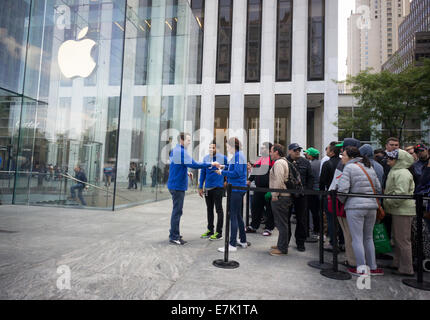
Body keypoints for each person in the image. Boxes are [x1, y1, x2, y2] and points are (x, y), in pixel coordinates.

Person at [337, 146, 384, 276]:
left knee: (357, 238)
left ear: (351, 157)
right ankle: (373, 266)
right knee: (368, 238)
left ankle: (361, 267)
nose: (342, 158)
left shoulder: (349, 168)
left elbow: (342, 190)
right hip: (372, 206)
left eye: (344, 155)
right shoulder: (369, 166)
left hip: (355, 206)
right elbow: (378, 187)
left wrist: (343, 201)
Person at [167, 132, 218, 245]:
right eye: (188, 140)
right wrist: (210, 164)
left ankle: (174, 232)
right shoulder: (180, 151)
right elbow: (194, 164)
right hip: (177, 186)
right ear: (182, 140)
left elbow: (177, 165)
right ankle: (174, 236)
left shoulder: (176, 150)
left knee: (177, 211)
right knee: (177, 211)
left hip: (174, 184)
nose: (190, 142)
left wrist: (186, 172)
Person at [384, 149, 416, 276]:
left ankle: (406, 268)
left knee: (403, 240)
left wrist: (389, 202)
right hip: (399, 209)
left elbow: (401, 193)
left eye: (391, 158)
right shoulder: (397, 171)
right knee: (398, 239)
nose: (388, 160)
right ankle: (398, 263)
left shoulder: (402, 173)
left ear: (399, 161)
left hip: (403, 210)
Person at [214, 137, 248, 253]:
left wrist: (222, 172)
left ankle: (232, 244)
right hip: (237, 189)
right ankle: (243, 240)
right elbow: (233, 168)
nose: (227, 148)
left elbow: (236, 173)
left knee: (233, 216)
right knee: (238, 215)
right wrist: (223, 167)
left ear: (233, 146)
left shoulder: (239, 156)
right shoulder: (238, 156)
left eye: (228, 146)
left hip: (236, 189)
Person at [286, 143, 314, 252]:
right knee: (285, 219)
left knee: (302, 219)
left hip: (302, 195)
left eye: (299, 150)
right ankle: (285, 241)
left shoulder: (305, 162)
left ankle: (300, 242)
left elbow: (310, 177)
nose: (297, 151)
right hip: (288, 194)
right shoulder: (284, 162)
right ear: (290, 151)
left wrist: (307, 191)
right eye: (295, 150)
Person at [198, 141, 228, 241]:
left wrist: (226, 180)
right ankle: (210, 230)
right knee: (209, 209)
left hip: (218, 187)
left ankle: (219, 233)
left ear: (217, 149)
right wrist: (200, 186)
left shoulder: (223, 158)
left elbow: (229, 168)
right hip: (208, 188)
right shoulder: (206, 158)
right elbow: (202, 172)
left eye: (213, 148)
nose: (211, 149)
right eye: (210, 147)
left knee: (219, 209)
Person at [246, 142, 275, 236]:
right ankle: (253, 226)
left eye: (264, 148)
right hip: (258, 188)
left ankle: (269, 228)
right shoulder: (260, 159)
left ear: (269, 150)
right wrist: (249, 180)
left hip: (268, 189)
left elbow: (275, 175)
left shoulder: (272, 160)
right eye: (261, 148)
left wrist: (272, 190)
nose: (262, 150)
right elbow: (254, 172)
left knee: (269, 209)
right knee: (255, 207)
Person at [269, 144, 292, 256]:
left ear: (276, 152)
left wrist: (274, 195)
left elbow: (278, 180)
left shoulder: (279, 163)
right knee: (282, 222)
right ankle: (281, 244)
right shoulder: (283, 161)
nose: (270, 153)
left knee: (281, 223)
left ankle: (282, 248)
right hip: (283, 196)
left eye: (271, 151)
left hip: (281, 196)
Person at [319, 141, 342, 250]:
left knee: (331, 219)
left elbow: (322, 181)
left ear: (332, 152)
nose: (326, 151)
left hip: (330, 195)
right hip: (342, 195)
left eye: (327, 149)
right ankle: (342, 242)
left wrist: (321, 194)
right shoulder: (343, 163)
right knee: (341, 220)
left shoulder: (327, 164)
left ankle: (333, 242)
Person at [304, 147, 321, 238]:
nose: (306, 155)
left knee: (312, 211)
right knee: (317, 212)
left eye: (307, 153)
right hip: (319, 190)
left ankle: (314, 230)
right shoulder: (321, 162)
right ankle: (317, 230)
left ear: (311, 155)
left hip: (312, 190)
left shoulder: (311, 165)